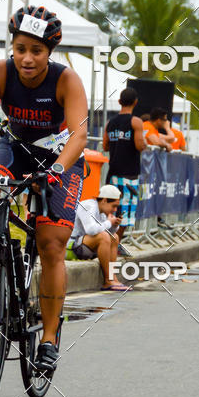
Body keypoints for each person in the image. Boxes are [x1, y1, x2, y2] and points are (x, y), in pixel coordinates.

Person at [0, 5, 88, 376]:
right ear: (12, 48)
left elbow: (79, 134)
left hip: (60, 158)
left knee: (50, 243)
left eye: (36, 51)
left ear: (50, 52)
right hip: (14, 148)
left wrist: (57, 170)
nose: (27, 58)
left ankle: (48, 339)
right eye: (20, 49)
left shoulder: (66, 80)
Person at [103, 87, 146, 247]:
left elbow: (105, 146)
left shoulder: (110, 123)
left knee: (112, 210)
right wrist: (145, 143)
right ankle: (114, 245)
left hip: (112, 173)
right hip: (129, 175)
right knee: (125, 213)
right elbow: (139, 145)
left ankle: (110, 243)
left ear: (120, 101)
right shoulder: (136, 121)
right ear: (135, 102)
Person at [68, 184, 129, 291]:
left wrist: (114, 225)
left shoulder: (102, 210)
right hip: (70, 248)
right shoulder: (88, 206)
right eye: (113, 206)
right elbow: (91, 229)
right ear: (104, 201)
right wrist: (109, 222)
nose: (115, 210)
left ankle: (113, 278)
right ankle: (108, 280)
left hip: (84, 246)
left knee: (114, 236)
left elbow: (107, 231)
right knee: (104, 236)